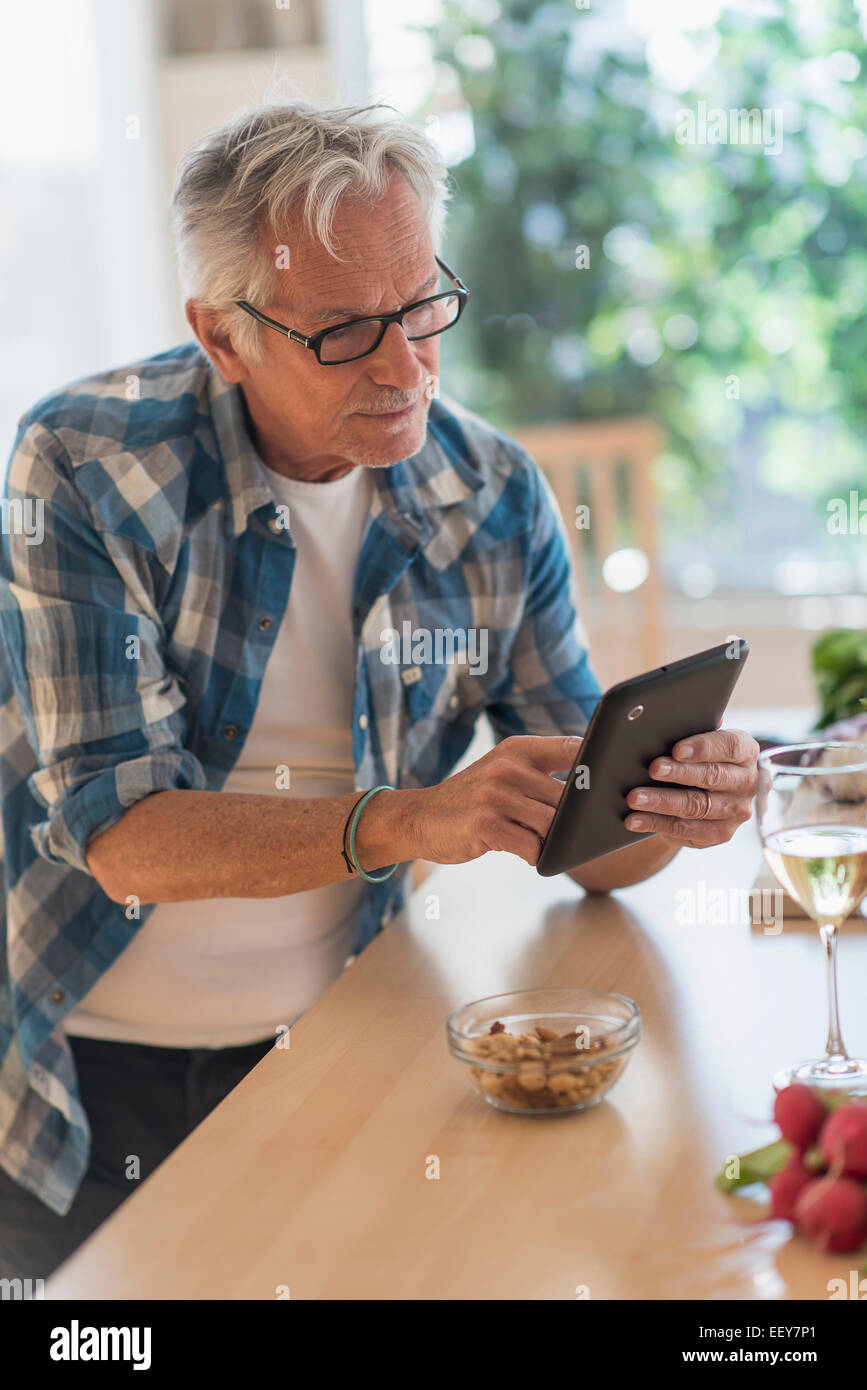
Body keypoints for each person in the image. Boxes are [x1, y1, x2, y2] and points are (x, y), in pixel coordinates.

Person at [0, 100, 758, 1280]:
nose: (407, 365)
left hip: (348, 1039)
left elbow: (592, 833)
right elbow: (122, 836)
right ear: (221, 334)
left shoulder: (490, 492)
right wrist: (411, 818)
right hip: (85, 1075)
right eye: (346, 332)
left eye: (421, 309)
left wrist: (666, 804)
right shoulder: (85, 466)